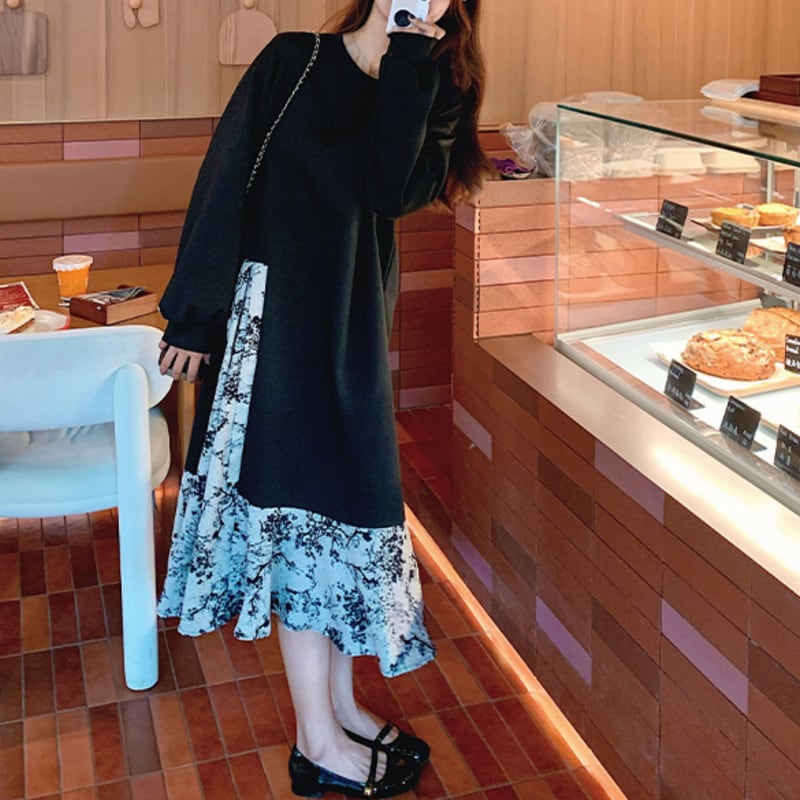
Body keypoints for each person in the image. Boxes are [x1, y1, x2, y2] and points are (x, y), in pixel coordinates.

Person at [156, 0, 490, 796]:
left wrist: (409, 63)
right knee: (302, 518)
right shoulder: (294, 59)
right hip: (270, 331)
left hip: (348, 334)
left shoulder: (434, 85)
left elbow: (389, 191)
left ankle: (337, 708)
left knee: (344, 513)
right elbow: (224, 181)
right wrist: (194, 314)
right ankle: (315, 742)